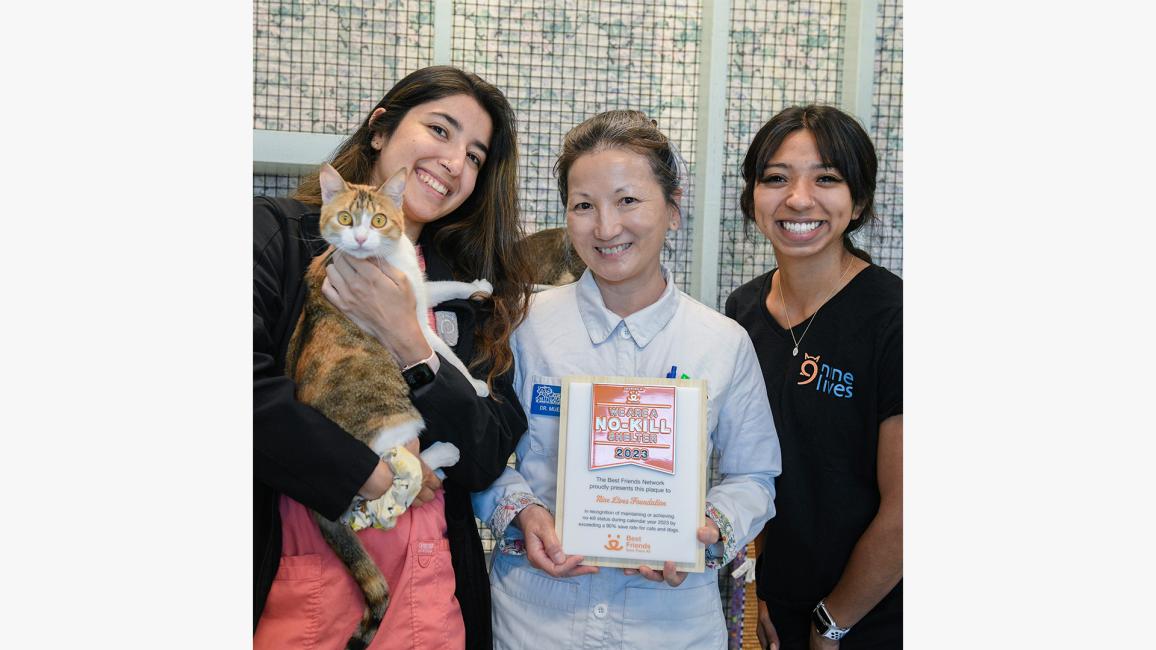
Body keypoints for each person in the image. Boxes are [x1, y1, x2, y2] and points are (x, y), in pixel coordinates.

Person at [472, 110, 783, 649]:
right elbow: (479, 454)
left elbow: (755, 476)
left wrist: (706, 531)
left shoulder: (722, 342)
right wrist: (521, 511)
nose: (606, 227)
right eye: (584, 206)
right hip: (536, 621)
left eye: (628, 201)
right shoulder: (523, 326)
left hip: (670, 625)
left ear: (673, 209)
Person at [253, 66, 533, 650]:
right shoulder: (275, 235)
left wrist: (407, 337)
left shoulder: (471, 287)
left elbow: (486, 452)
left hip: (434, 590)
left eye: (476, 156)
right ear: (379, 129)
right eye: (440, 129)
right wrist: (372, 473)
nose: (455, 162)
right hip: (308, 572)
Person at [724, 105, 902, 649]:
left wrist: (833, 622)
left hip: (876, 614)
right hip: (787, 608)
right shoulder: (744, 310)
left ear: (859, 200)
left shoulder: (894, 315)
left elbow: (909, 510)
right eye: (776, 178)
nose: (798, 198)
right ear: (753, 197)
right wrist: (770, 593)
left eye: (827, 178)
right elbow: (757, 467)